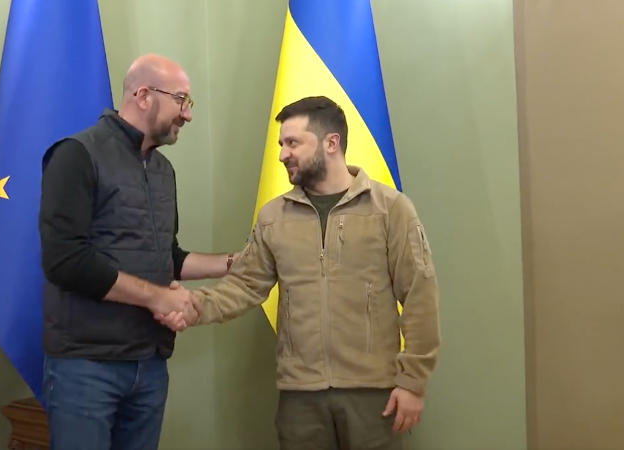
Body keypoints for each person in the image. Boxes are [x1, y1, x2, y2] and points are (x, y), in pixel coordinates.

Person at [160, 96, 441, 450]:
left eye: (292, 142)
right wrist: (192, 306)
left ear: (331, 143)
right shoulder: (273, 216)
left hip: (374, 396)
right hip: (300, 399)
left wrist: (413, 381)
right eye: (281, 144)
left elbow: (419, 296)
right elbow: (245, 285)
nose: (282, 154)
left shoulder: (390, 209)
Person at [38, 54, 240, 450]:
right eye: (181, 100)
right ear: (143, 95)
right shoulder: (76, 154)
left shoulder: (164, 171)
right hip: (86, 366)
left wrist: (236, 263)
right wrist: (159, 297)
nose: (188, 115)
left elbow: (169, 256)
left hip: (149, 365)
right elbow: (66, 261)